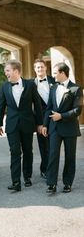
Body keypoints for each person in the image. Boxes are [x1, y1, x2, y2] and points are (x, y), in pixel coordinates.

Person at [0, 59, 43, 192]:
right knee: (15, 151)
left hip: (28, 123)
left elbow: (38, 105)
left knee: (28, 151)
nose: (6, 73)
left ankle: (27, 177)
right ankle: (16, 181)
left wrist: (40, 123)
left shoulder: (30, 85)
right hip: (12, 124)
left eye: (8, 70)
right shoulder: (4, 86)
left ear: (16, 71)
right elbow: (1, 106)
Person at [42, 62, 83, 194]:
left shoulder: (76, 89)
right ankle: (51, 184)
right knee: (53, 155)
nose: (53, 76)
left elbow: (77, 110)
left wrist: (62, 116)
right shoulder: (53, 88)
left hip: (70, 128)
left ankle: (67, 183)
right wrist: (44, 125)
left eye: (55, 73)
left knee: (70, 156)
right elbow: (49, 108)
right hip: (54, 128)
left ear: (62, 73)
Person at [33, 58, 56, 179]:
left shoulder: (54, 81)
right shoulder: (31, 84)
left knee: (53, 147)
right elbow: (31, 108)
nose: (40, 69)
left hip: (55, 118)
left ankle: (51, 169)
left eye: (42, 67)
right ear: (34, 69)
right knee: (44, 147)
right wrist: (38, 124)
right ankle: (45, 169)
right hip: (41, 120)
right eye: (38, 67)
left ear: (46, 68)